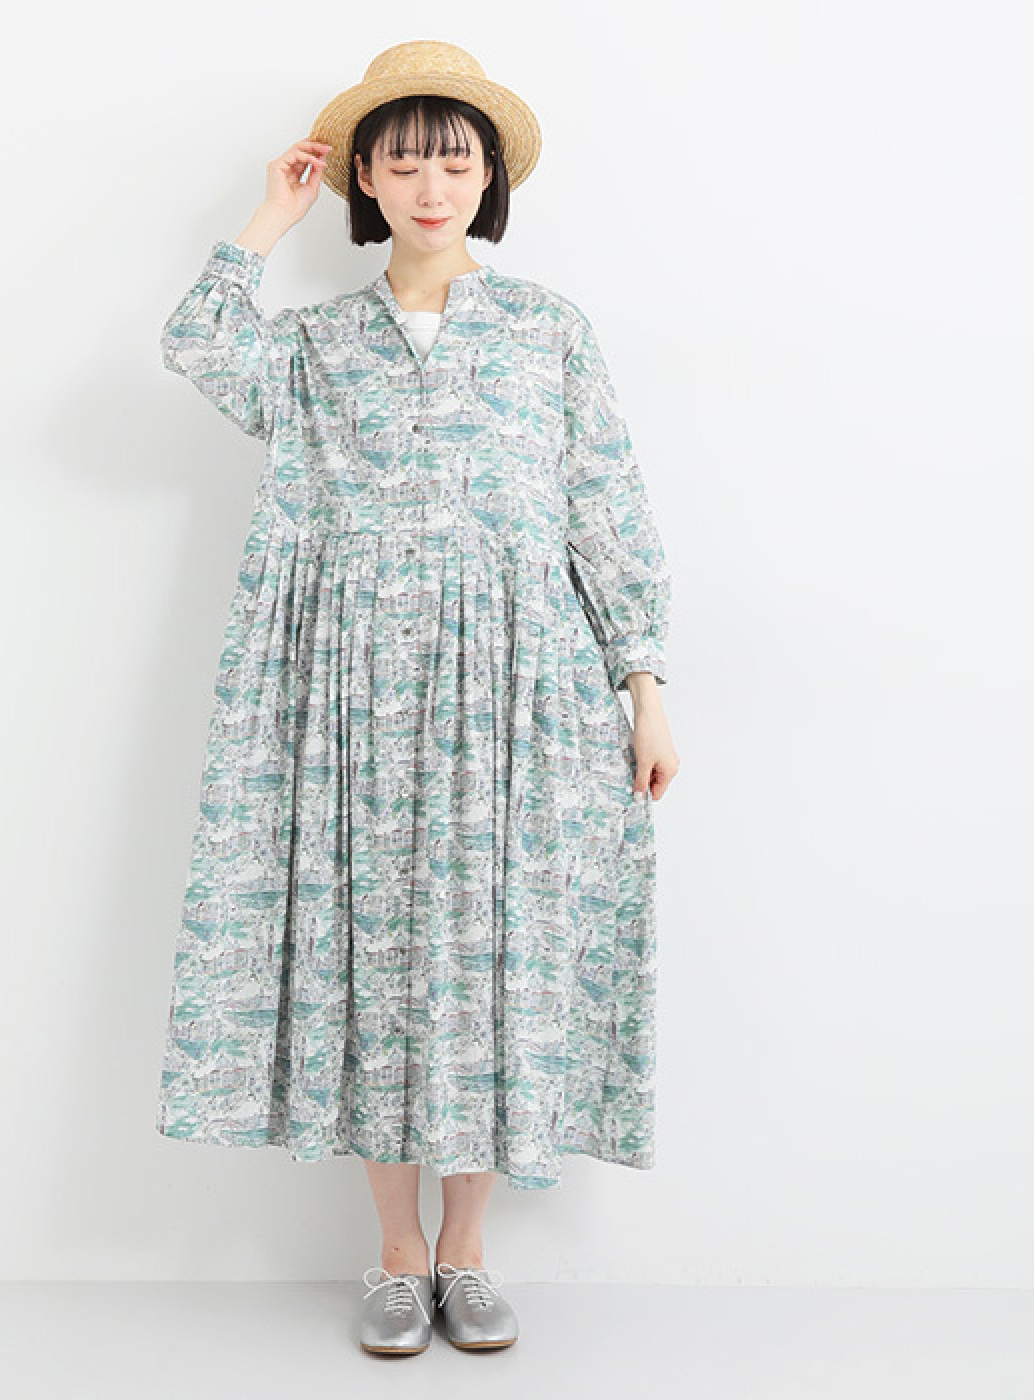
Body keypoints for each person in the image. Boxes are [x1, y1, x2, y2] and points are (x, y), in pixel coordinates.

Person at [154, 40, 681, 1355]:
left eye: (455, 160)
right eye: (402, 162)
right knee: (376, 960)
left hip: (521, 695)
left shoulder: (550, 331)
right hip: (356, 699)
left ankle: (469, 1252)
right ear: (366, 184)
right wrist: (266, 219)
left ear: (490, 178)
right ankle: (396, 1256)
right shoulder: (318, 346)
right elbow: (197, 344)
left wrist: (646, 686)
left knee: (493, 955)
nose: (431, 185)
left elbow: (608, 511)